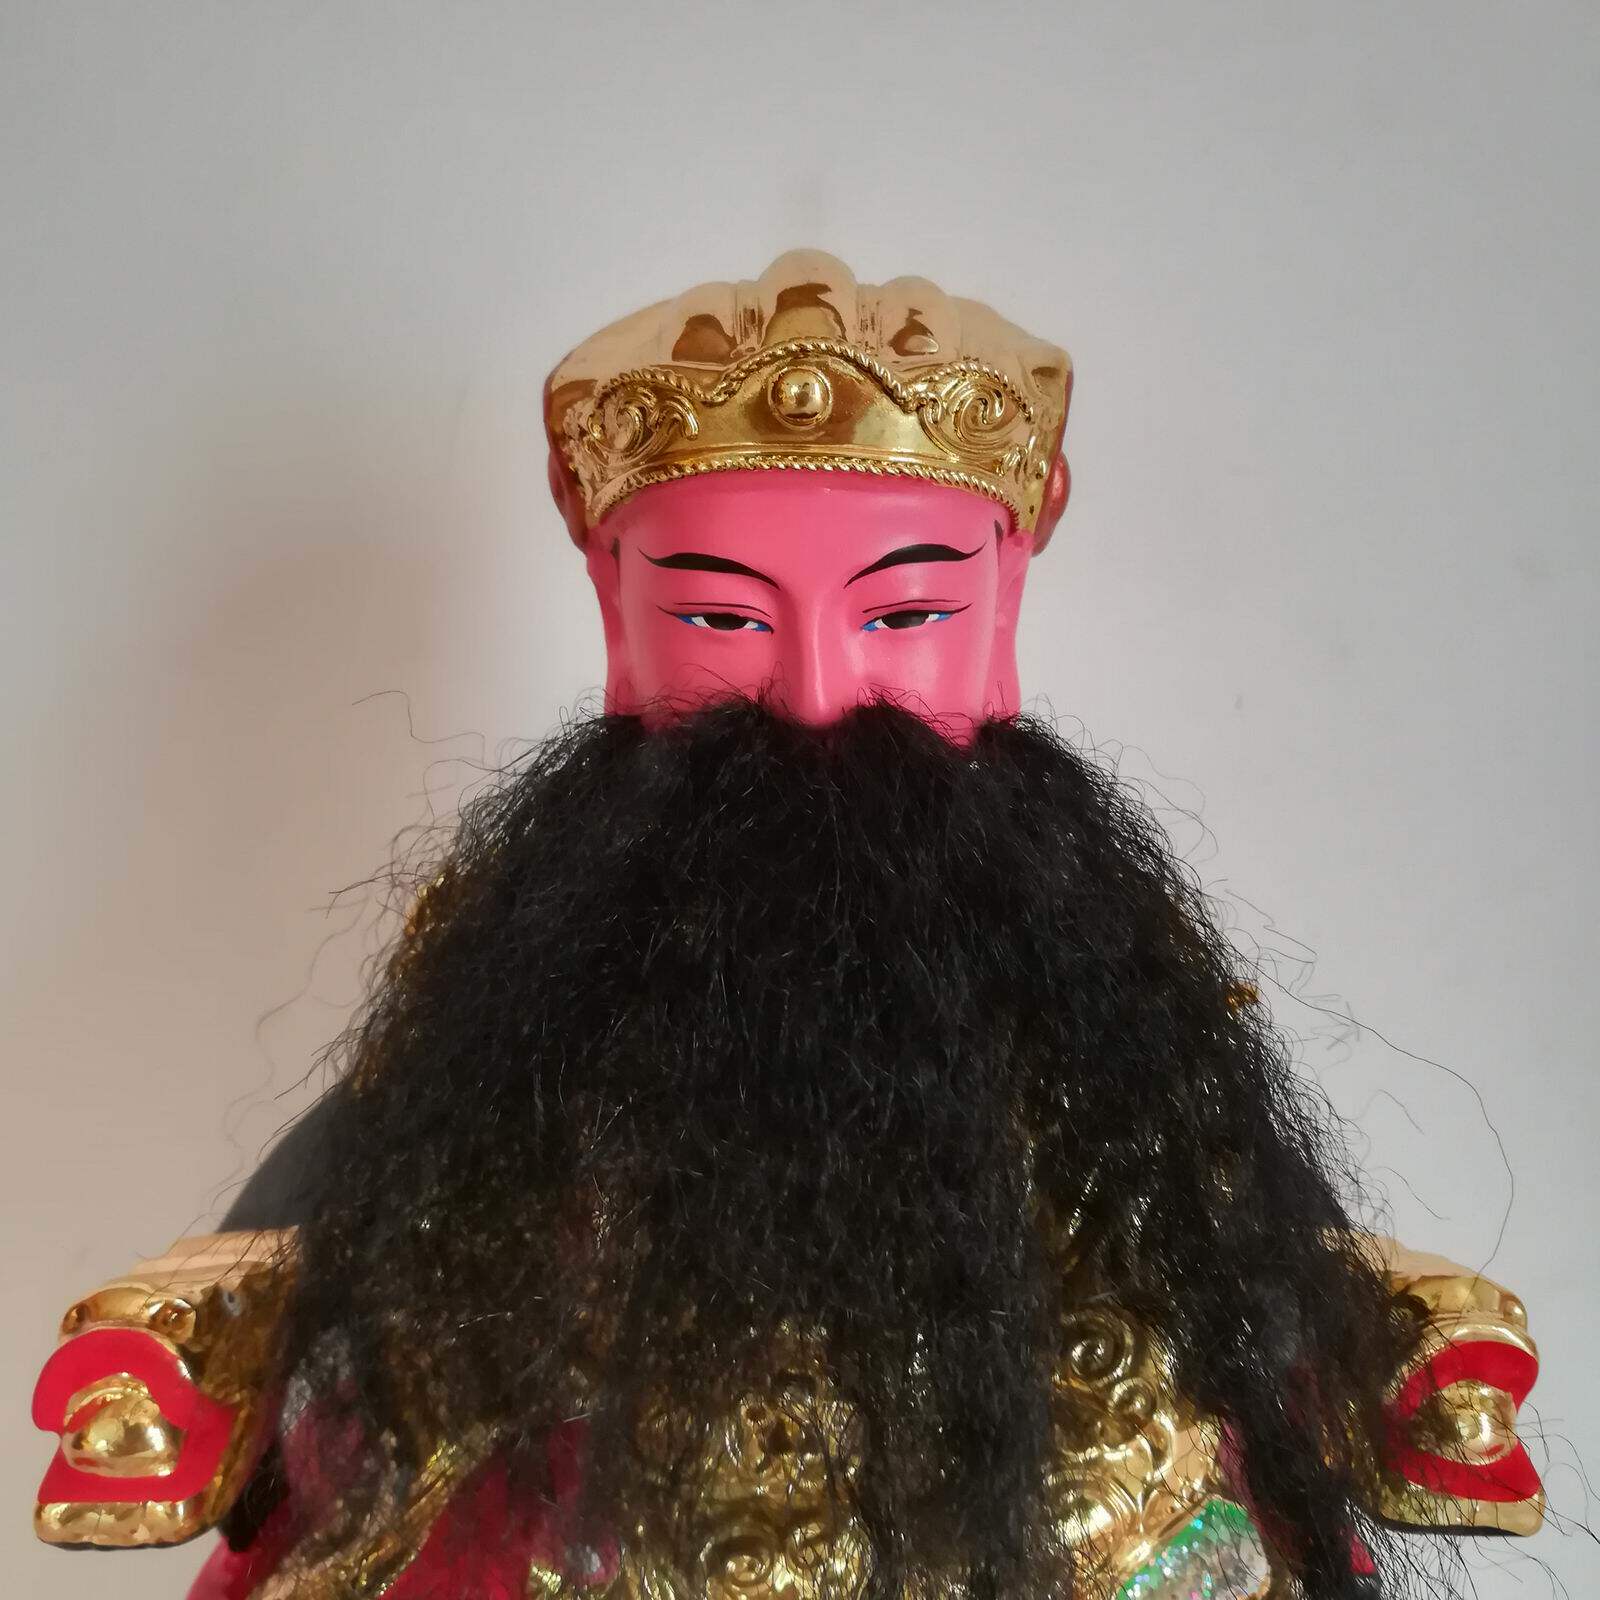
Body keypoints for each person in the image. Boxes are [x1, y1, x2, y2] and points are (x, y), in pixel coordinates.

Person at [31, 251, 1544, 1600]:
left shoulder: (1076, 950)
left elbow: (1226, 1192)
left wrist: (1377, 1325)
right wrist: (202, 1325)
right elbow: (371, 1157)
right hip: (586, 1495)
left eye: (905, 617)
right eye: (722, 619)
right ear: (614, 606)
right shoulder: (557, 955)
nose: (816, 697)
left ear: (1006, 601)